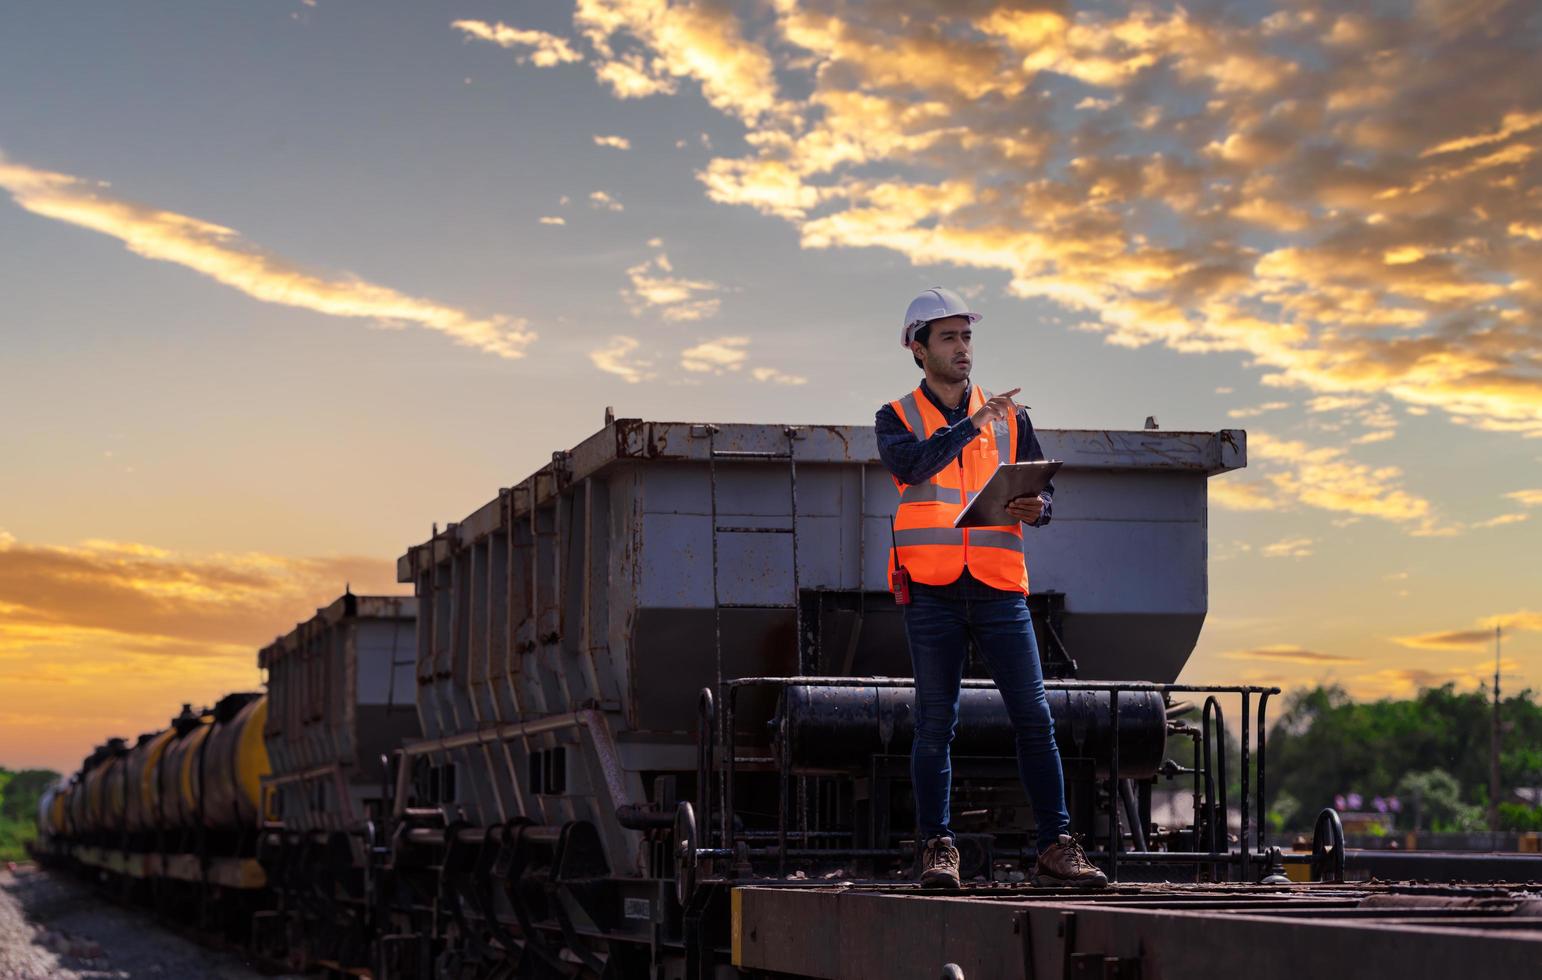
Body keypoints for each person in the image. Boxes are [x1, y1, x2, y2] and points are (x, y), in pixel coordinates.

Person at [875, 287, 1107, 890]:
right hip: (931, 590)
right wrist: (970, 424)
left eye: (967, 336)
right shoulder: (895, 418)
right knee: (934, 724)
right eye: (948, 337)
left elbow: (1041, 489)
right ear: (917, 349)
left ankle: (1056, 847)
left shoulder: (1012, 419)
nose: (962, 348)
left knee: (1034, 717)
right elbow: (913, 469)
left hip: (1001, 586)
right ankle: (936, 849)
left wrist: (1038, 507)